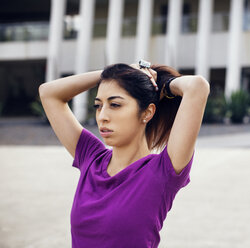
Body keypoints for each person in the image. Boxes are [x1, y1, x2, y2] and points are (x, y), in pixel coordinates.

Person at [39, 60, 210, 248]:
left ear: (147, 112)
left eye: (115, 105)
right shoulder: (91, 159)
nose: (102, 116)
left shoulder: (161, 173)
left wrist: (164, 85)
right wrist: (116, 73)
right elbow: (48, 93)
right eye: (98, 105)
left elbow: (197, 86)